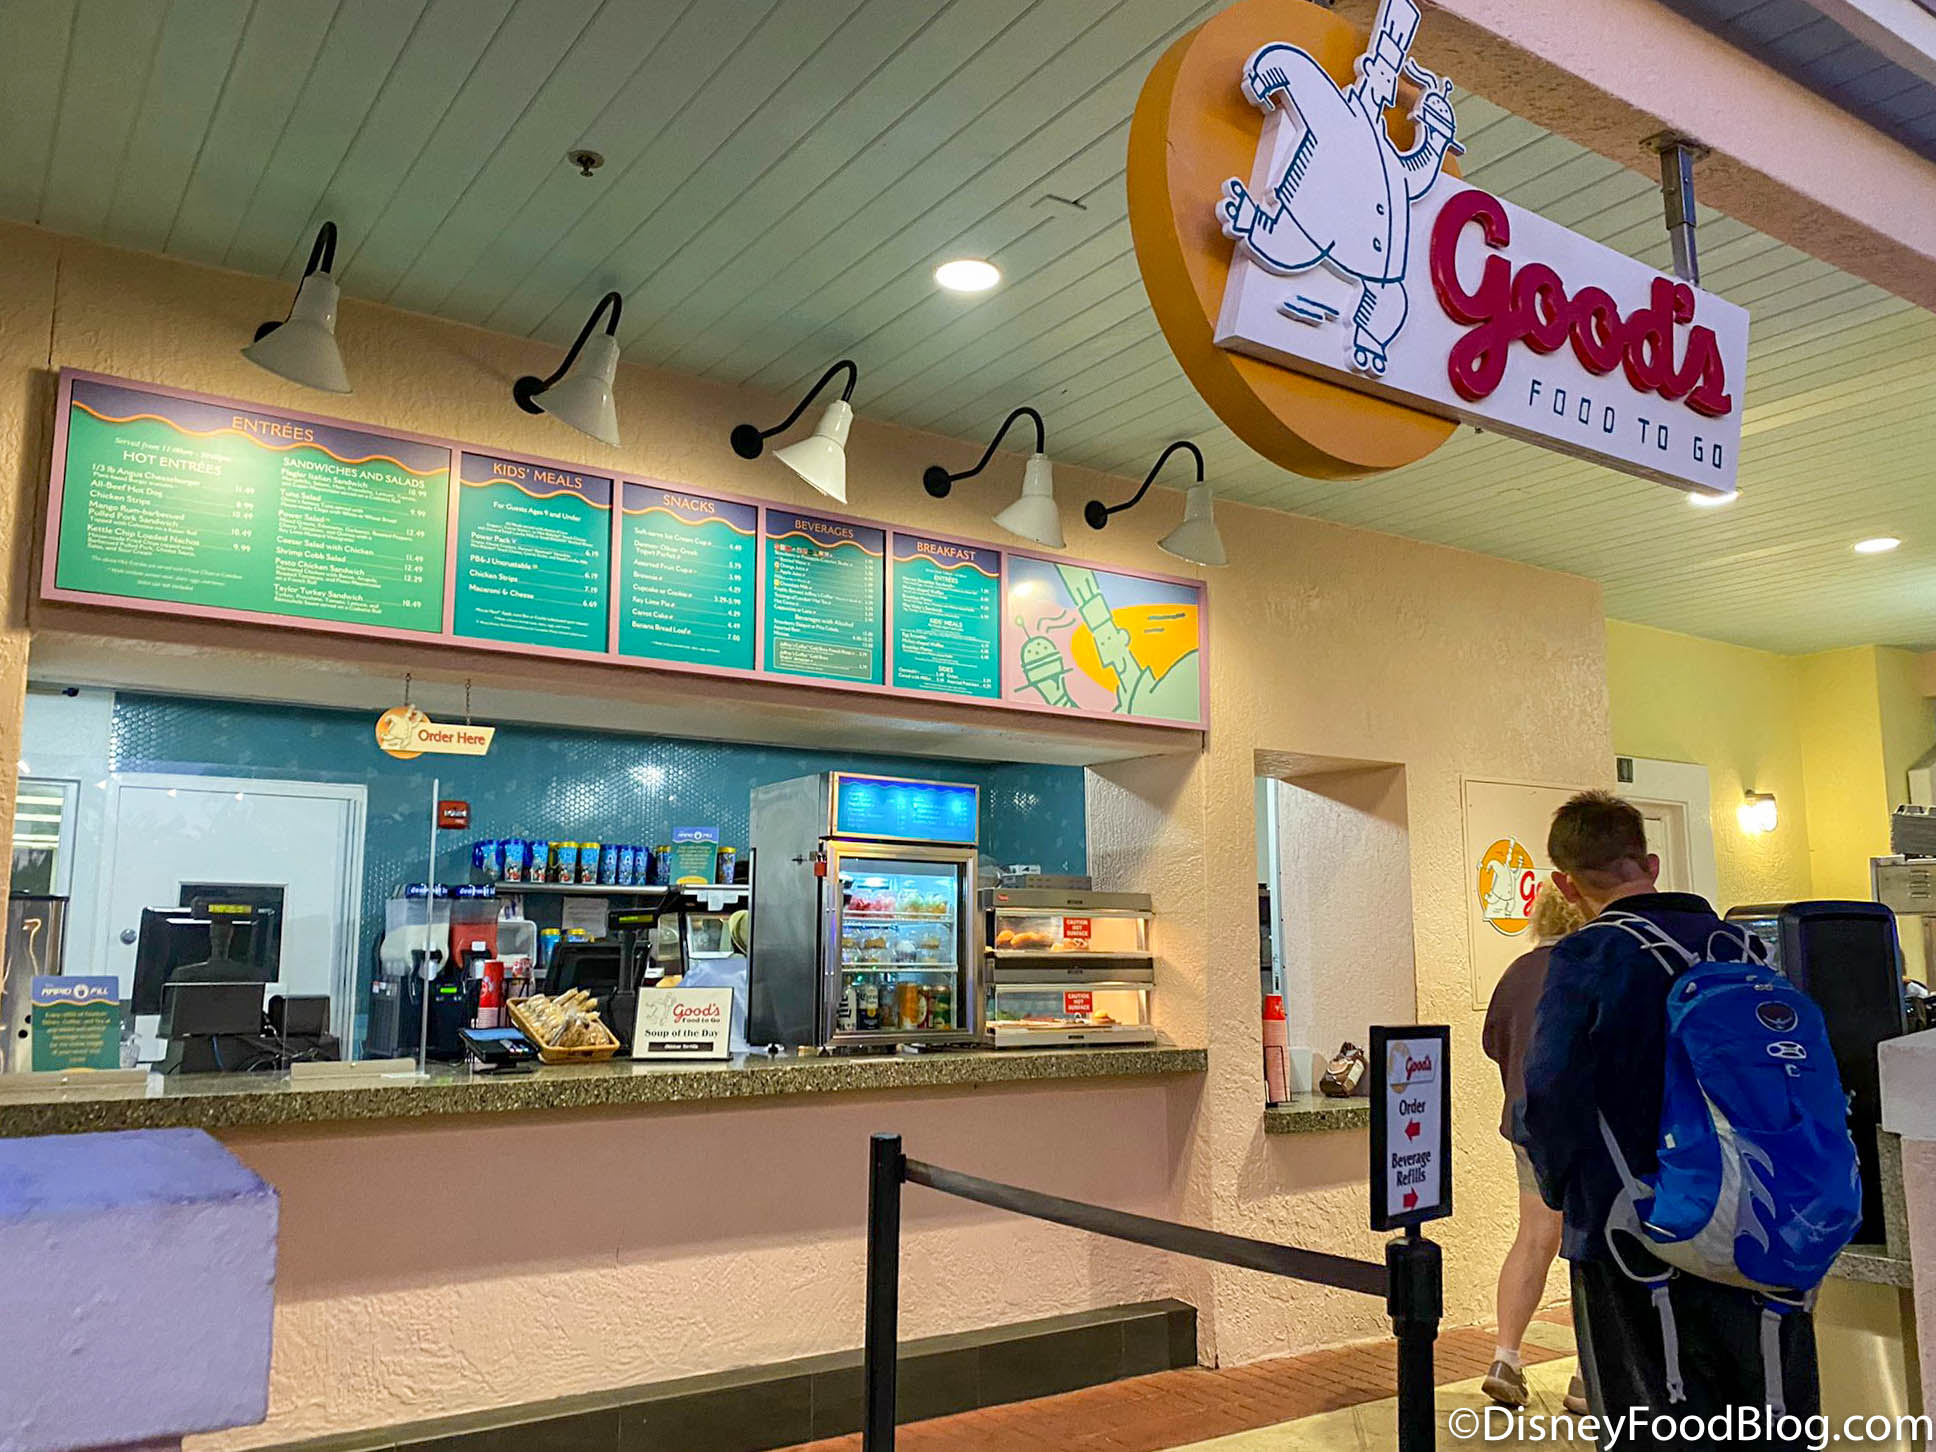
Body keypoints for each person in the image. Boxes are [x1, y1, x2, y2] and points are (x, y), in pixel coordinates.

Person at [1523, 791, 1822, 1445]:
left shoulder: (1590, 957)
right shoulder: (1745, 947)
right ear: (1650, 864)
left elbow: (1548, 1092)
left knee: (1654, 1416)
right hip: (1764, 1218)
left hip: (1634, 1228)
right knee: (1769, 1407)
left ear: (1565, 885)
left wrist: (1563, 1192)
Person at [1480, 884, 1588, 1413]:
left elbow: (1493, 1042)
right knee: (1591, 1245)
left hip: (1527, 1125)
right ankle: (1588, 1375)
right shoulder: (1588, 968)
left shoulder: (1517, 972)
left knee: (1534, 1237)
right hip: (1586, 1128)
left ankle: (1505, 1358)